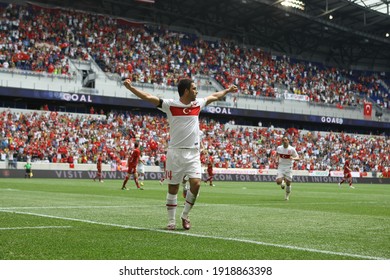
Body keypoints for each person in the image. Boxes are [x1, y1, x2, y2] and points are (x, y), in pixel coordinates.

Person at [124, 77, 238, 230]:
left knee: (196, 184)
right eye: (194, 88)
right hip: (175, 153)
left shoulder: (198, 104)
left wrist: (228, 91)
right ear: (186, 91)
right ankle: (171, 221)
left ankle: (185, 215)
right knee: (173, 188)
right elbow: (149, 97)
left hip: (193, 153)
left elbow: (214, 96)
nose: (196, 91)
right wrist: (131, 88)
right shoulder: (170, 105)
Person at [275, 136, 300, 201]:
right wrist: (277, 160)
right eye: (283, 140)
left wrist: (293, 158)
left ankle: (286, 196)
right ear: (282, 141)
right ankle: (282, 182)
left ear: (288, 141)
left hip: (288, 167)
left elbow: (298, 158)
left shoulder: (292, 149)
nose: (285, 141)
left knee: (288, 183)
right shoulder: (279, 148)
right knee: (278, 182)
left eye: (286, 140)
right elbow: (277, 155)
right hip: (281, 166)